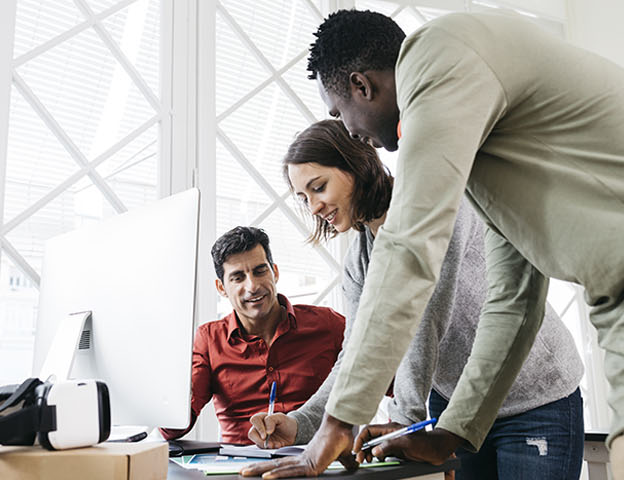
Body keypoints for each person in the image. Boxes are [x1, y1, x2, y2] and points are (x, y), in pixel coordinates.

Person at [242, 10, 624, 478]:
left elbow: (413, 261)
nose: (349, 130)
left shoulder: (437, 53)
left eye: (339, 112)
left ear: (362, 85)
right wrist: (451, 432)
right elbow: (514, 300)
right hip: (606, 306)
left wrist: (342, 422)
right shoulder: (484, 161)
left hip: (539, 393)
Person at [246, 119, 584, 478]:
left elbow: (426, 319)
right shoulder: (359, 260)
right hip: (455, 409)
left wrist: (405, 419)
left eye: (318, 187)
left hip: (534, 398)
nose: (313, 207)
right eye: (303, 197)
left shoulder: (431, 206)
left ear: (355, 165)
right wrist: (303, 424)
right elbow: (357, 353)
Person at [159, 226, 344, 445]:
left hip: (322, 463)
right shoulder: (209, 339)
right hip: (240, 469)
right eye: (238, 278)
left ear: (274, 272)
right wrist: (170, 392)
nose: (253, 286)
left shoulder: (328, 324)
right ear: (222, 288)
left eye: (260, 271)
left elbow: (387, 374)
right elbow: (174, 427)